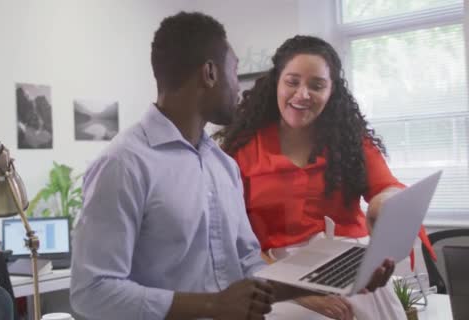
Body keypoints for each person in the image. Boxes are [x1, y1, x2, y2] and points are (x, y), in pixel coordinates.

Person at [71, 14, 394, 320]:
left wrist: (338, 280)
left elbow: (247, 267)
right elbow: (92, 292)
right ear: (210, 73)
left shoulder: (222, 165)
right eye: (233, 71)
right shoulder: (123, 164)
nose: (239, 87)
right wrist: (213, 304)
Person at [214, 35, 429, 320]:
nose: (303, 94)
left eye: (317, 85)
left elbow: (385, 187)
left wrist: (387, 202)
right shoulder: (240, 150)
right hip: (274, 279)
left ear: (332, 91)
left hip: (353, 270)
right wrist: (302, 294)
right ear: (276, 82)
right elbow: (235, 240)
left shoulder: (350, 141)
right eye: (292, 82)